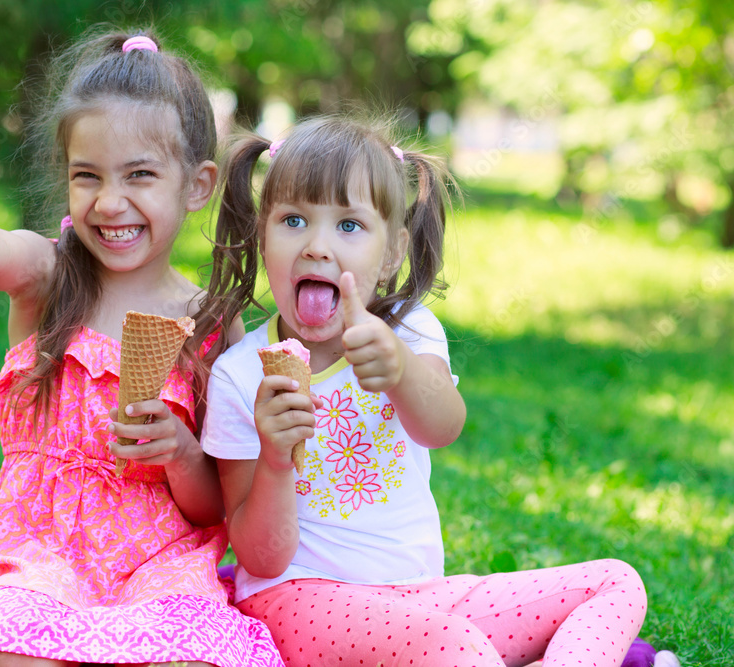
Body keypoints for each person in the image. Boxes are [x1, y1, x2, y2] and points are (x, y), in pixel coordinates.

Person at [0, 30, 281, 667]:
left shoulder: (210, 325)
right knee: (8, 654)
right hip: (44, 561)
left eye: (139, 175)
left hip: (161, 566)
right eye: (86, 176)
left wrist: (180, 453)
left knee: (193, 658)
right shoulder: (48, 278)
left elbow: (213, 505)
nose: (110, 202)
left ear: (197, 185)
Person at [199, 115, 647, 666]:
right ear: (261, 237)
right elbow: (260, 559)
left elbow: (443, 426)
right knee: (455, 647)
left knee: (615, 582)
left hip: (422, 600)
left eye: (348, 226)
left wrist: (403, 371)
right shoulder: (241, 376)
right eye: (293, 220)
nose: (317, 246)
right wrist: (273, 459)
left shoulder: (411, 333)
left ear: (391, 253)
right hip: (297, 599)